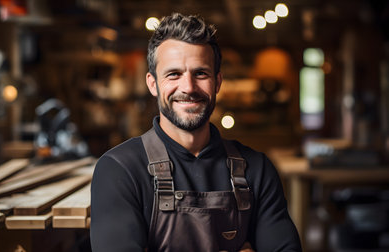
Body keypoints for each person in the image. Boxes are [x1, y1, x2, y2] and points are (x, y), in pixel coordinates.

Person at [90, 13, 302, 252]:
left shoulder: (257, 169)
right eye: (174, 74)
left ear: (217, 82)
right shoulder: (120, 170)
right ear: (152, 83)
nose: (188, 87)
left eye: (201, 73)